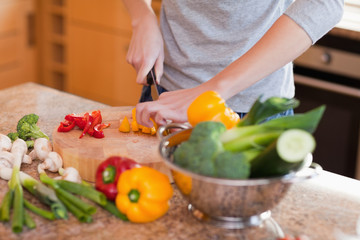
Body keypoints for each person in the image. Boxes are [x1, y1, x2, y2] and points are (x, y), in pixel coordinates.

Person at [121, 0, 344, 128]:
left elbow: (324, 4)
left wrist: (212, 91)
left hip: (255, 113)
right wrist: (142, 18)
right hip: (168, 98)